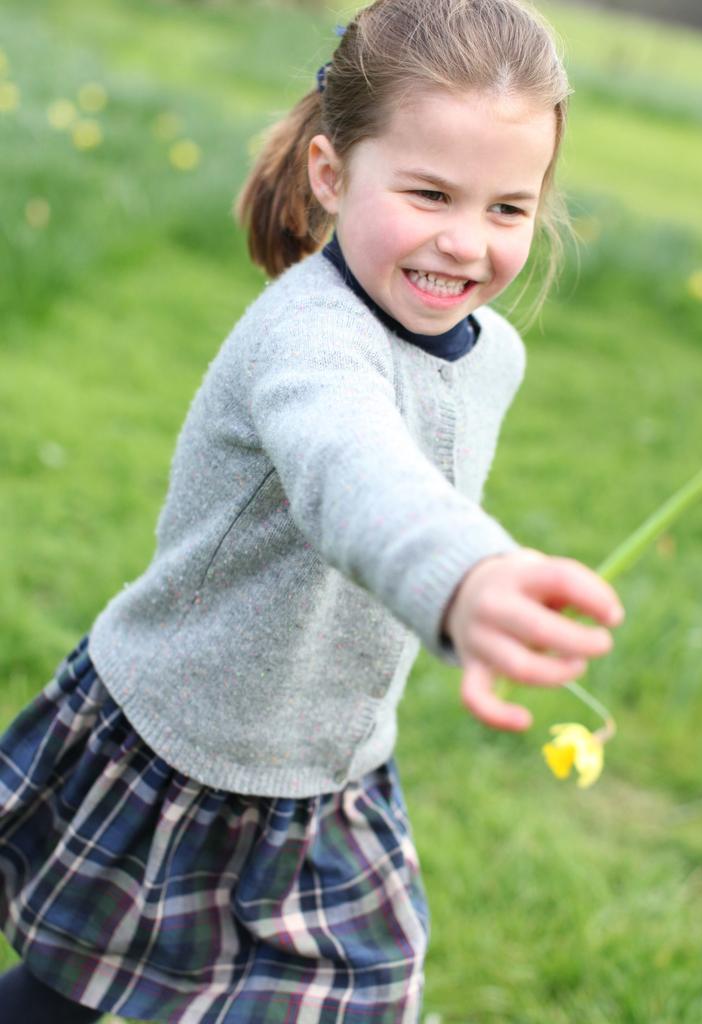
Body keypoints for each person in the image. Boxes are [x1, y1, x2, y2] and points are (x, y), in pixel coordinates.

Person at [0, 0, 624, 1020]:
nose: (467, 245)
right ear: (333, 175)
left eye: (508, 209)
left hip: (330, 771)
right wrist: (464, 577)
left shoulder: (493, 353)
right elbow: (353, 470)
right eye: (430, 194)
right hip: (178, 747)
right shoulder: (308, 338)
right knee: (69, 999)